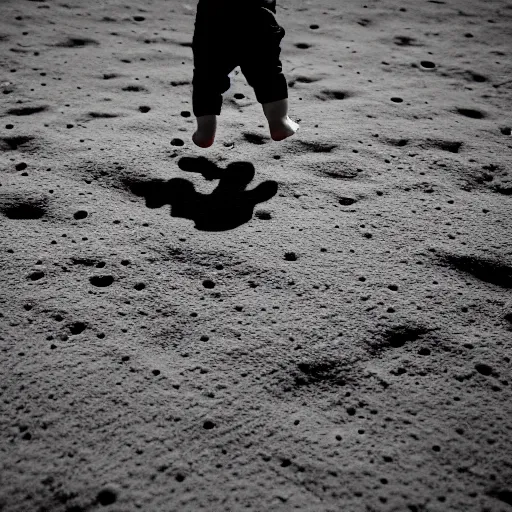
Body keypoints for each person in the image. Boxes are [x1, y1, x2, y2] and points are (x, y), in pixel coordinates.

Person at [191, 0, 299, 148]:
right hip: (256, 15)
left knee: (207, 77)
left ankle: (205, 132)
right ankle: (279, 123)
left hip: (212, 18)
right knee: (267, 73)